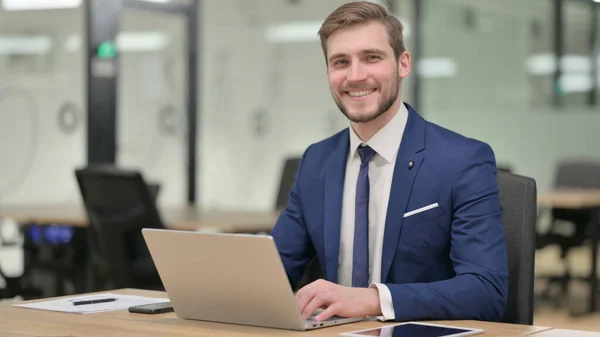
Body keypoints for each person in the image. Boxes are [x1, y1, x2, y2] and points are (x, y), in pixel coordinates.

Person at [270, 1, 508, 323]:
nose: (355, 76)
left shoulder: (463, 161)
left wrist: (372, 300)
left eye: (371, 57)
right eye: (341, 62)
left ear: (403, 63)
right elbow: (275, 270)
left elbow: (486, 292)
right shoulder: (316, 161)